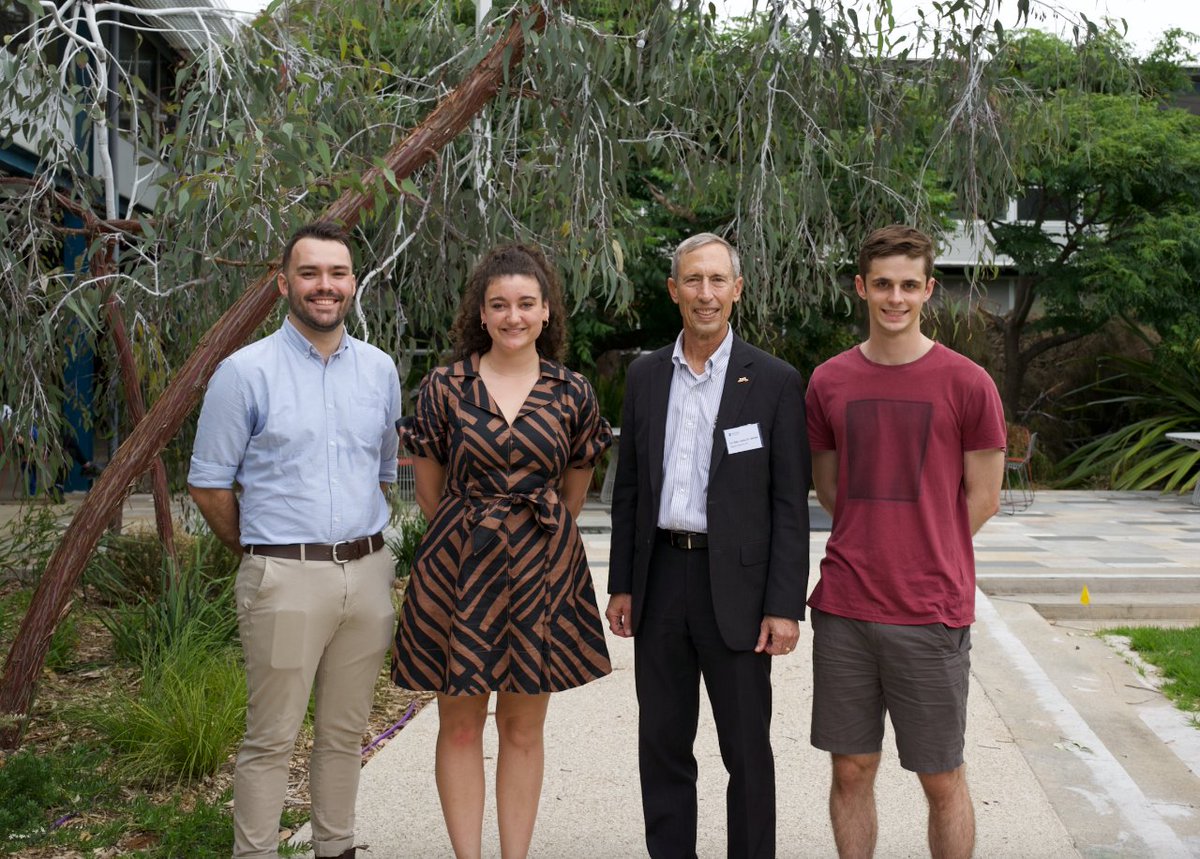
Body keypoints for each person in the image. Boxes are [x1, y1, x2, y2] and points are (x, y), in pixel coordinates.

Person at [187, 221, 402, 859]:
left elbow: (384, 473)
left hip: (366, 578)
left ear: (353, 284)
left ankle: (336, 848)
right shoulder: (244, 372)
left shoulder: (379, 370)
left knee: (345, 733)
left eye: (337, 273)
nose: (324, 286)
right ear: (284, 283)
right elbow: (208, 485)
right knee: (271, 739)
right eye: (309, 273)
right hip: (283, 577)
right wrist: (261, 554)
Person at [391, 243, 613, 859]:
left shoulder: (572, 394)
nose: (513, 316)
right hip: (459, 569)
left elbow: (572, 495)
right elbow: (432, 496)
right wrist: (481, 533)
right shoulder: (445, 386)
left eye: (526, 304)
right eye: (499, 305)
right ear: (480, 315)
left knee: (522, 728)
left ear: (547, 313)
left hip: (542, 567)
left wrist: (525, 538)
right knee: (459, 727)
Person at [606, 232, 811, 859]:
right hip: (663, 577)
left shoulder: (774, 381)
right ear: (674, 291)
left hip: (742, 592)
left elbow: (788, 503)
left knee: (746, 749)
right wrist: (623, 584)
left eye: (718, 280)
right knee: (663, 744)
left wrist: (784, 604)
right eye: (693, 280)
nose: (705, 293)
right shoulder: (644, 376)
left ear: (737, 290)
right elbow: (630, 488)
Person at [804, 225, 1007, 859]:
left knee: (940, 777)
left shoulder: (968, 383)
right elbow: (832, 491)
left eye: (909, 286)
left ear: (928, 291)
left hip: (930, 609)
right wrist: (876, 541)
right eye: (883, 285)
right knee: (850, 771)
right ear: (862, 288)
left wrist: (923, 545)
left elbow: (985, 496)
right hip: (845, 610)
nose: (896, 298)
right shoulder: (828, 382)